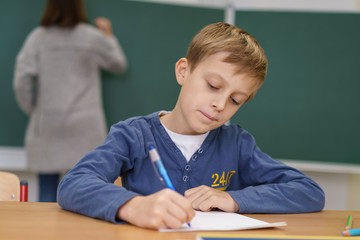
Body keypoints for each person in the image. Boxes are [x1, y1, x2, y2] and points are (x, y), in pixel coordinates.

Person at [57, 22, 325, 229]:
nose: (220, 104)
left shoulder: (237, 144)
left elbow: (309, 192)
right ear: (183, 71)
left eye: (235, 99)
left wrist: (233, 199)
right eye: (213, 86)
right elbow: (73, 184)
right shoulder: (134, 135)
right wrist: (132, 206)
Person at [13, 0, 127, 202]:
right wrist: (108, 36)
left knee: (46, 194)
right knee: (82, 192)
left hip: (48, 124)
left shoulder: (38, 38)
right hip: (85, 127)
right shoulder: (91, 37)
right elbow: (118, 64)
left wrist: (33, 109)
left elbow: (21, 80)